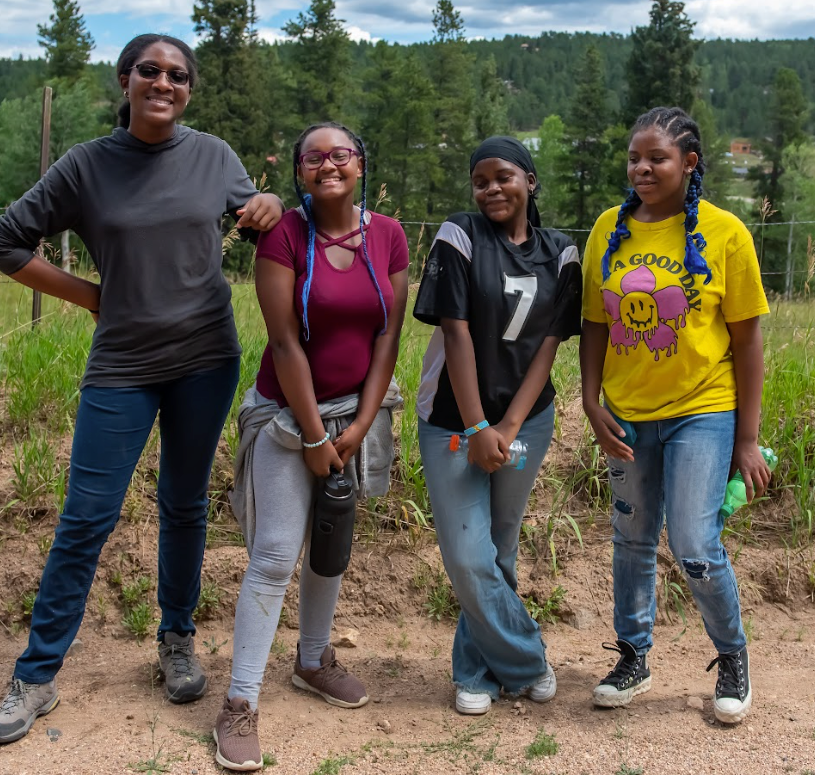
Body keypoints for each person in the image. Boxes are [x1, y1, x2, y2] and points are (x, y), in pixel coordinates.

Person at [0, 34, 283, 745]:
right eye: (150, 70)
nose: (163, 83)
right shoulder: (87, 165)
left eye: (178, 75)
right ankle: (36, 672)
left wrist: (266, 199)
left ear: (188, 89)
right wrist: (91, 295)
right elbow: (4, 242)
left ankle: (175, 639)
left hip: (206, 358)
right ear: (125, 80)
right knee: (87, 515)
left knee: (183, 505)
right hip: (121, 364)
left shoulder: (213, 156)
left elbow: (257, 215)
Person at [219, 122, 409, 771]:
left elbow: (388, 339)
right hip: (284, 414)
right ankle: (240, 700)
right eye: (313, 157)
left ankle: (311, 659)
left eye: (341, 154)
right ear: (300, 170)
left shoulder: (388, 235)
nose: (328, 164)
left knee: (330, 545)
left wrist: (354, 429)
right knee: (274, 554)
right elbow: (283, 343)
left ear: (360, 163)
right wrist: (312, 433)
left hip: (353, 415)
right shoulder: (282, 236)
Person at [580, 107, 771, 724]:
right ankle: (633, 656)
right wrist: (591, 401)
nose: (642, 168)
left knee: (693, 542)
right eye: (635, 158)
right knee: (631, 541)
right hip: (627, 414)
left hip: (703, 410)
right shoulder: (609, 228)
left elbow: (747, 342)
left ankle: (733, 656)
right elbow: (594, 323)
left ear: (690, 164)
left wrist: (748, 440)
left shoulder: (726, 233)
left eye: (657, 158)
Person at [413, 136, 582, 716]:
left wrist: (508, 426)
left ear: (530, 181)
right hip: (451, 421)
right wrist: (480, 425)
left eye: (504, 177)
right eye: (480, 180)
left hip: (527, 421)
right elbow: (455, 332)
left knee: (499, 551)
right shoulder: (458, 235)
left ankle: (476, 674)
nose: (491, 189)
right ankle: (530, 659)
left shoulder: (562, 253)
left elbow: (549, 346)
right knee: (467, 556)